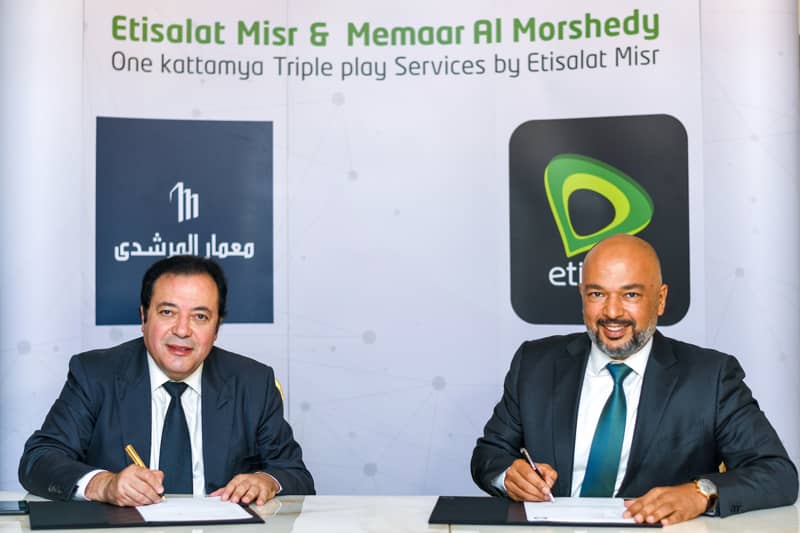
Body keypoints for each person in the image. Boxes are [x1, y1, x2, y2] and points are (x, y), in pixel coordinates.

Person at [471, 234, 797, 525]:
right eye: (597, 293)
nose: (612, 312)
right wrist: (508, 475)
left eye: (630, 295)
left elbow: (777, 473)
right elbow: (490, 454)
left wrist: (700, 493)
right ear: (582, 296)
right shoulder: (535, 364)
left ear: (661, 299)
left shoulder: (711, 377)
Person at [19, 255, 314, 506]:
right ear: (143, 317)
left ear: (216, 328)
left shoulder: (253, 383)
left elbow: (295, 474)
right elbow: (39, 459)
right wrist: (104, 484)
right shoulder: (96, 374)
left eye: (200, 317)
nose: (182, 330)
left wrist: (266, 481)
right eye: (167, 312)